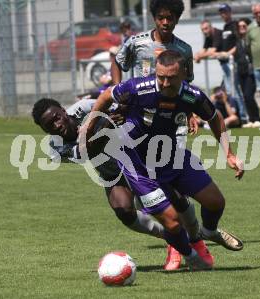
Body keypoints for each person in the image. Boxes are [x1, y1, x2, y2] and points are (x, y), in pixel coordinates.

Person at [85, 50, 245, 270]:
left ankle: (208, 231)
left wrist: (229, 153)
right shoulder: (138, 88)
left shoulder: (191, 95)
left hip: (171, 156)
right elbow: (105, 97)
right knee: (172, 221)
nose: (165, 82)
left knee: (216, 202)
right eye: (161, 77)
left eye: (171, 78)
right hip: (137, 164)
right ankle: (190, 256)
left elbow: (214, 117)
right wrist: (90, 125)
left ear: (184, 74)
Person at [110, 0, 201, 270]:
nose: (165, 22)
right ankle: (185, 238)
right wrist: (121, 96)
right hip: (140, 125)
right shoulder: (136, 42)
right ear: (154, 17)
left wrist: (192, 112)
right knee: (146, 194)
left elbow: (188, 83)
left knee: (167, 185)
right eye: (161, 17)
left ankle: (178, 247)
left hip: (173, 123)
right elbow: (118, 62)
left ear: (176, 19)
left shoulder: (183, 49)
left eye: (170, 18)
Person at [31, 98, 167, 250]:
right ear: (45, 130)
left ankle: (188, 232)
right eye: (49, 125)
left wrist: (120, 113)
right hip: (111, 172)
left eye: (57, 118)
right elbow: (89, 152)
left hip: (136, 158)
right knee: (123, 211)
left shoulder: (85, 107)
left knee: (157, 200)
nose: (57, 125)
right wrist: (106, 125)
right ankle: (166, 235)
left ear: (63, 111)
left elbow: (119, 106)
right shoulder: (55, 149)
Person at [215, 3, 248, 125]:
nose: (223, 14)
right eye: (221, 12)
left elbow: (237, 44)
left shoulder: (234, 25)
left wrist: (228, 54)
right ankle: (235, 115)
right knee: (229, 91)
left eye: (225, 11)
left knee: (235, 91)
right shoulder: (225, 27)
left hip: (231, 62)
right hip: (224, 64)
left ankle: (243, 117)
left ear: (230, 12)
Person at [236, 18, 260, 128]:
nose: (242, 28)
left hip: (251, 71)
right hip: (241, 71)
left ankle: (257, 118)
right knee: (245, 97)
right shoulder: (238, 40)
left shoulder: (251, 39)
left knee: (249, 95)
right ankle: (251, 119)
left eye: (244, 26)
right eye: (240, 26)